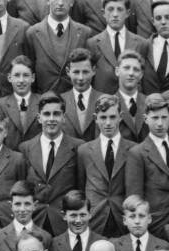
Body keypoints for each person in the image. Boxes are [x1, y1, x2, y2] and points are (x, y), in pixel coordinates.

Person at [21, 92, 82, 236]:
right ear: (39, 118)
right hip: (35, 223)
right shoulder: (25, 149)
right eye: (47, 114)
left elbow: (81, 186)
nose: (51, 119)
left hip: (64, 223)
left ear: (64, 118)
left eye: (56, 114)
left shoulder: (78, 147)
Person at [77, 95, 130, 238]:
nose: (108, 123)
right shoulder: (84, 151)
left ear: (121, 116)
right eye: (103, 117)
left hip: (122, 218)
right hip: (95, 219)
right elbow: (81, 186)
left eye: (113, 117)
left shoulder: (133, 150)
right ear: (95, 118)